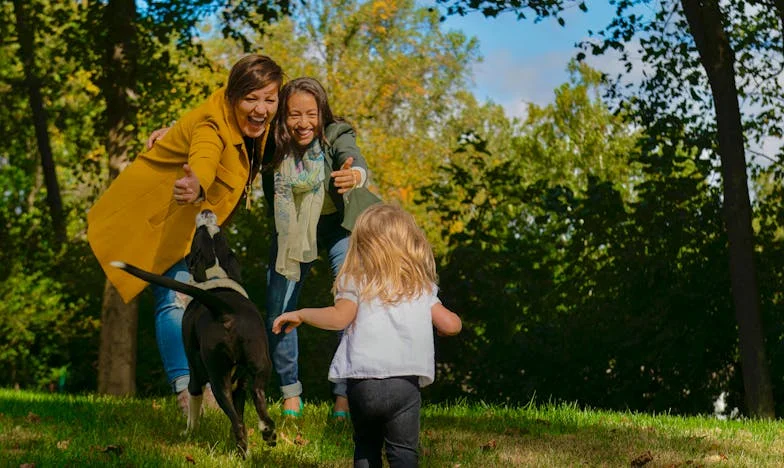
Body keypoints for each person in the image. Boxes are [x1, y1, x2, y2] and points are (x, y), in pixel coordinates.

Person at [87, 54, 284, 415]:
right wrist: (197, 182)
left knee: (194, 300)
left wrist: (173, 131)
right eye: (251, 99)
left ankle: (202, 386)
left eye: (269, 99)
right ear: (232, 96)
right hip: (165, 220)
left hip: (191, 224)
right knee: (175, 300)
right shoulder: (213, 124)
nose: (261, 108)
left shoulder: (260, 117)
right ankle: (185, 390)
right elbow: (205, 154)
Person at [272, 203, 462, 467]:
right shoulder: (420, 285)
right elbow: (451, 325)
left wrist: (302, 314)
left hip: (362, 383)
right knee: (404, 452)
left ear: (362, 244)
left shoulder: (355, 279)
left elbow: (339, 318)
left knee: (365, 446)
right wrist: (447, 325)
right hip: (404, 384)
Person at [262, 77, 377, 419]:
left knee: (349, 303)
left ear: (321, 112)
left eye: (310, 114)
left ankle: (343, 396)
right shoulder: (272, 142)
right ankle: (290, 394)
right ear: (283, 116)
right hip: (293, 229)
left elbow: (354, 160)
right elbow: (228, 140)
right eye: (294, 115)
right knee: (280, 306)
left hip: (341, 225)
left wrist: (354, 175)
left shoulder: (336, 133)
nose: (303, 123)